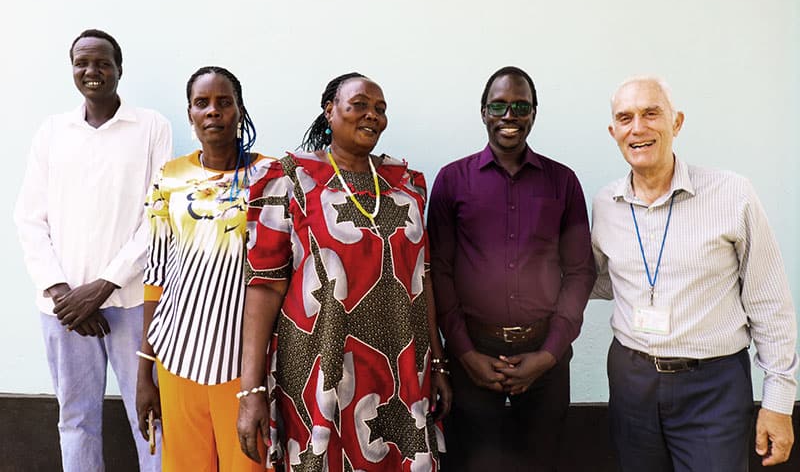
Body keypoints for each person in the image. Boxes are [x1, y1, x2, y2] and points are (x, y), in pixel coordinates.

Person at [236, 73, 451, 471]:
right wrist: (251, 389)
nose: (373, 116)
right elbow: (263, 287)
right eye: (360, 106)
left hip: (402, 369)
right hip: (318, 368)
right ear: (330, 110)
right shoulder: (288, 180)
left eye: (381, 109)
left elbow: (425, 279)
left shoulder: (408, 184)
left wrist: (437, 363)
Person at [591, 75, 798, 470]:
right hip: (631, 383)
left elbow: (769, 302)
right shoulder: (606, 204)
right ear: (613, 131)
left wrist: (778, 401)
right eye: (626, 117)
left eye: (652, 113)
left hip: (712, 387)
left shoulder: (732, 194)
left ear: (677, 122)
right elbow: (601, 279)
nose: (639, 128)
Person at [13, 29, 171, 472]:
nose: (92, 71)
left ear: (120, 69)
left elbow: (156, 218)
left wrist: (100, 289)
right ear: (72, 71)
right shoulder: (52, 131)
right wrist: (64, 293)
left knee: (149, 416)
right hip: (63, 310)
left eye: (102, 62)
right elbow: (29, 218)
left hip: (132, 302)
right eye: (82, 63)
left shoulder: (151, 127)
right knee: (76, 418)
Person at [428, 66, 596, 471]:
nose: (509, 115)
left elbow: (580, 272)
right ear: (483, 112)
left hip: (544, 359)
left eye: (520, 106)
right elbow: (439, 272)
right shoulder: (452, 181)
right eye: (499, 105)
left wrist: (548, 354)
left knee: (541, 464)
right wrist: (465, 354)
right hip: (472, 359)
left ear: (534, 113)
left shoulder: (563, 182)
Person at [135, 66, 274, 472]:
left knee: (248, 465)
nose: (213, 111)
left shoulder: (271, 177)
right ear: (190, 114)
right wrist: (145, 370)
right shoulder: (171, 177)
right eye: (202, 103)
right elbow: (156, 273)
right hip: (178, 354)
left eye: (223, 102)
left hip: (243, 362)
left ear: (239, 110)